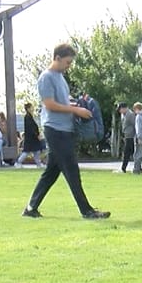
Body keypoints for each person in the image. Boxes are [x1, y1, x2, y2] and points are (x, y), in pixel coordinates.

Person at [22, 43, 110, 219]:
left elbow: (61, 102)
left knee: (51, 172)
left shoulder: (61, 78)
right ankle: (87, 211)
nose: (69, 66)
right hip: (55, 129)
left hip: (65, 129)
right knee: (71, 169)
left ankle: (31, 208)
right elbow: (49, 105)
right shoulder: (46, 78)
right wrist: (75, 110)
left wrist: (75, 106)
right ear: (57, 58)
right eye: (68, 62)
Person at [16, 103, 45, 168]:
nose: (33, 108)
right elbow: (31, 128)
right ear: (28, 109)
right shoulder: (27, 117)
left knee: (36, 151)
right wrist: (36, 135)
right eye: (31, 107)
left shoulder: (30, 116)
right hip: (31, 139)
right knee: (26, 152)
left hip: (33, 138)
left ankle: (38, 164)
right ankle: (18, 162)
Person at [117, 102, 136, 172]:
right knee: (130, 152)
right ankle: (137, 168)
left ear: (124, 108)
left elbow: (134, 125)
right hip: (126, 136)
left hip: (131, 136)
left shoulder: (130, 114)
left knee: (127, 152)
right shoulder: (123, 115)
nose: (119, 111)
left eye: (120, 109)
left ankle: (123, 168)